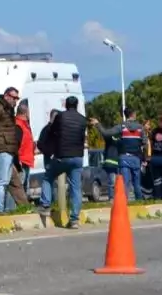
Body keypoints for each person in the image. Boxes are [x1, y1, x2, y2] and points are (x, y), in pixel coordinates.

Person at [43, 96, 88, 228]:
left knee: (48, 176)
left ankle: (45, 205)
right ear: (77, 105)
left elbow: (52, 131)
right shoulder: (82, 119)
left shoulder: (61, 117)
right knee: (76, 188)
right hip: (78, 157)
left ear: (65, 105)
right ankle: (74, 220)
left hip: (62, 156)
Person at [94, 108, 147, 201]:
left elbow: (106, 133)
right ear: (134, 114)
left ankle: (124, 203)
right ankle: (139, 201)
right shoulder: (140, 128)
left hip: (124, 158)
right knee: (137, 183)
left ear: (125, 115)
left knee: (125, 183)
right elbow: (145, 143)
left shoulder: (121, 127)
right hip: (136, 158)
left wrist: (97, 124)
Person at [14, 102, 36, 205]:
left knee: (24, 185)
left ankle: (23, 206)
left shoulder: (25, 125)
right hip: (21, 161)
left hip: (26, 160)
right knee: (20, 186)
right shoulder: (18, 125)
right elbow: (16, 144)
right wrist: (17, 160)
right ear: (25, 113)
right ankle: (19, 206)